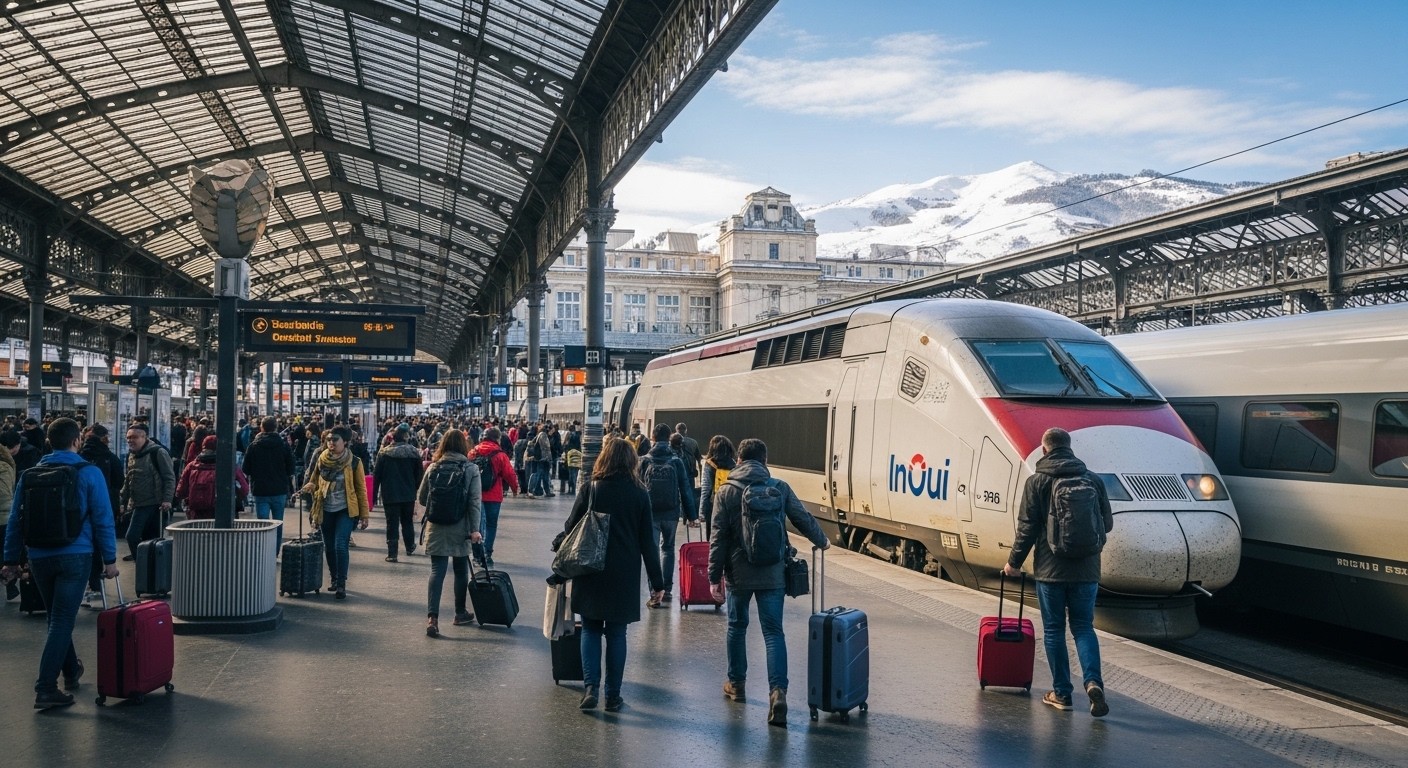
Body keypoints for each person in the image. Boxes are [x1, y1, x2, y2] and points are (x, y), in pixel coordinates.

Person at [708, 438, 830, 727]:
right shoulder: (779, 488)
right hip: (773, 572)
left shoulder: (726, 492)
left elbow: (718, 538)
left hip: (738, 573)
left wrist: (714, 577)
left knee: (737, 628)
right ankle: (778, 693)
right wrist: (821, 540)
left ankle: (736, 685)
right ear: (765, 461)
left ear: (738, 461)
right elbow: (802, 518)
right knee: (774, 633)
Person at [2, 418, 119, 709]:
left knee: (58, 616)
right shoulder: (89, 472)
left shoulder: (29, 473)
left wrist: (10, 560)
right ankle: (45, 687)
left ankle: (71, 671)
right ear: (77, 440)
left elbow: (16, 522)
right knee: (61, 620)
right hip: (75, 555)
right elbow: (102, 518)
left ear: (48, 442)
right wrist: (110, 559)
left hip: (39, 556)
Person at [1003, 427, 1114, 717]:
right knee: (1083, 627)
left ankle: (1062, 693)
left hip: (1050, 572)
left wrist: (1013, 564)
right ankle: (1092, 684)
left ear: (1044, 450)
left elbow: (1027, 529)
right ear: (1069, 447)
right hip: (1087, 570)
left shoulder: (1037, 481)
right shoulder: (1093, 480)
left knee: (1054, 630)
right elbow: (1108, 524)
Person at [556, 436, 665, 712]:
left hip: (591, 568)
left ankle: (591, 688)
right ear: (632, 462)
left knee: (590, 629)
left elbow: (571, 526)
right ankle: (613, 696)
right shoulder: (640, 494)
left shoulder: (591, 488)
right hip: (624, 574)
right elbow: (647, 542)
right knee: (617, 634)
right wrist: (657, 582)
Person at [417, 429, 483, 637]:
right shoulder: (471, 469)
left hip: (435, 525)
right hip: (461, 526)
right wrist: (475, 530)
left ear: (442, 445)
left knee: (437, 571)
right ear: (464, 446)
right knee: (461, 569)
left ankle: (432, 619)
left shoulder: (433, 467)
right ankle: (460, 612)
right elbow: (474, 502)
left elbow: (421, 497)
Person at [299, 427, 370, 599]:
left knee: (340, 545)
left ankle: (341, 583)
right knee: (329, 547)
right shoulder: (322, 459)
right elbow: (314, 479)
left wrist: (364, 514)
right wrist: (310, 485)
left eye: (335, 439)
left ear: (345, 442)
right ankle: (334, 577)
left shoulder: (354, 462)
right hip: (325, 508)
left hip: (346, 510)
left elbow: (361, 489)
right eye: (329, 439)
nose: (330, 442)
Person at [638, 423, 697, 607]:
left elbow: (638, 488)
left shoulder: (645, 460)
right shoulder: (676, 460)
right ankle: (668, 589)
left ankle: (656, 591)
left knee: (652, 550)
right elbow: (685, 489)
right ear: (669, 437)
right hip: (671, 513)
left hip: (650, 513)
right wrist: (692, 515)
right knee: (668, 549)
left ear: (653, 438)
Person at [78, 424, 124, 605]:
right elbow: (119, 481)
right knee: (102, 540)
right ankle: (101, 579)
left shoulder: (79, 458)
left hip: (82, 510)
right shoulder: (110, 457)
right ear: (103, 438)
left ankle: (90, 583)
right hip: (107, 506)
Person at [119, 423, 175, 560]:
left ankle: (144, 564)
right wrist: (122, 499)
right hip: (138, 503)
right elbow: (129, 479)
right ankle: (147, 566)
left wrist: (167, 499)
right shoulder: (133, 455)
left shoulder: (158, 452)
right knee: (148, 538)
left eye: (134, 437)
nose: (130, 440)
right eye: (128, 437)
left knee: (134, 536)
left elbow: (169, 477)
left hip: (154, 503)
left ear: (144, 437)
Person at [242, 416, 296, 553]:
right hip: (279, 490)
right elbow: (291, 468)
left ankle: (263, 551)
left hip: (260, 490)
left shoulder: (253, 446)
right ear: (276, 428)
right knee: (278, 523)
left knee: (263, 524)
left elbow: (245, 469)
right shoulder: (283, 445)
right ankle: (274, 552)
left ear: (262, 427)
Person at [468, 426, 518, 568]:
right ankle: (487, 553)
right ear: (497, 439)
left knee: (477, 525)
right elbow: (509, 474)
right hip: (494, 495)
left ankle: (477, 555)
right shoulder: (500, 455)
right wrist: (515, 489)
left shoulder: (473, 452)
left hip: (475, 495)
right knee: (491, 524)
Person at [374, 425, 424, 562]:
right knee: (407, 521)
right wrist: (414, 487)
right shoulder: (414, 453)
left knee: (392, 523)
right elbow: (420, 474)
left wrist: (373, 497)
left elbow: (376, 475)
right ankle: (410, 546)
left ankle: (392, 553)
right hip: (408, 493)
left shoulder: (384, 453)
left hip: (390, 494)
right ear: (407, 438)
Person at [176, 435, 249, 520]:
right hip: (224, 511)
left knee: (199, 532)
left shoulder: (192, 466)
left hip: (197, 512)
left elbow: (181, 491)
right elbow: (244, 489)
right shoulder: (229, 466)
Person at [697, 435, 736, 540]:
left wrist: (702, 512)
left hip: (713, 505)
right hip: (730, 504)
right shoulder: (734, 464)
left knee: (713, 538)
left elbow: (706, 489)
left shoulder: (710, 464)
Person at [0, 430, 17, 601]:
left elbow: (4, 494)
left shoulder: (3, 466)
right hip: (5, 515)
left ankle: (9, 583)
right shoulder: (6, 464)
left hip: (3, 516)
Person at [674, 422, 702, 513]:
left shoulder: (672, 442)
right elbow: (699, 458)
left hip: (676, 473)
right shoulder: (693, 442)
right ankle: (691, 513)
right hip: (690, 472)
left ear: (676, 431)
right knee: (690, 493)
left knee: (677, 493)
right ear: (686, 431)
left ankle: (681, 514)